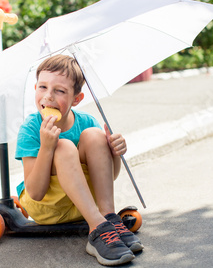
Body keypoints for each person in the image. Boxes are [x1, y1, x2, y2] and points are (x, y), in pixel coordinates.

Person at [15, 54, 143, 266]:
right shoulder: (30, 129)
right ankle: (97, 230)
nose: (48, 97)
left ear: (77, 98)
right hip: (48, 207)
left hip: (85, 203)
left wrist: (114, 153)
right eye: (43, 87)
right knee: (63, 146)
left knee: (94, 135)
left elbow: (109, 177)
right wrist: (47, 147)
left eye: (60, 91)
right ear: (35, 88)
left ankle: (108, 218)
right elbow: (36, 193)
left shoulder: (87, 122)